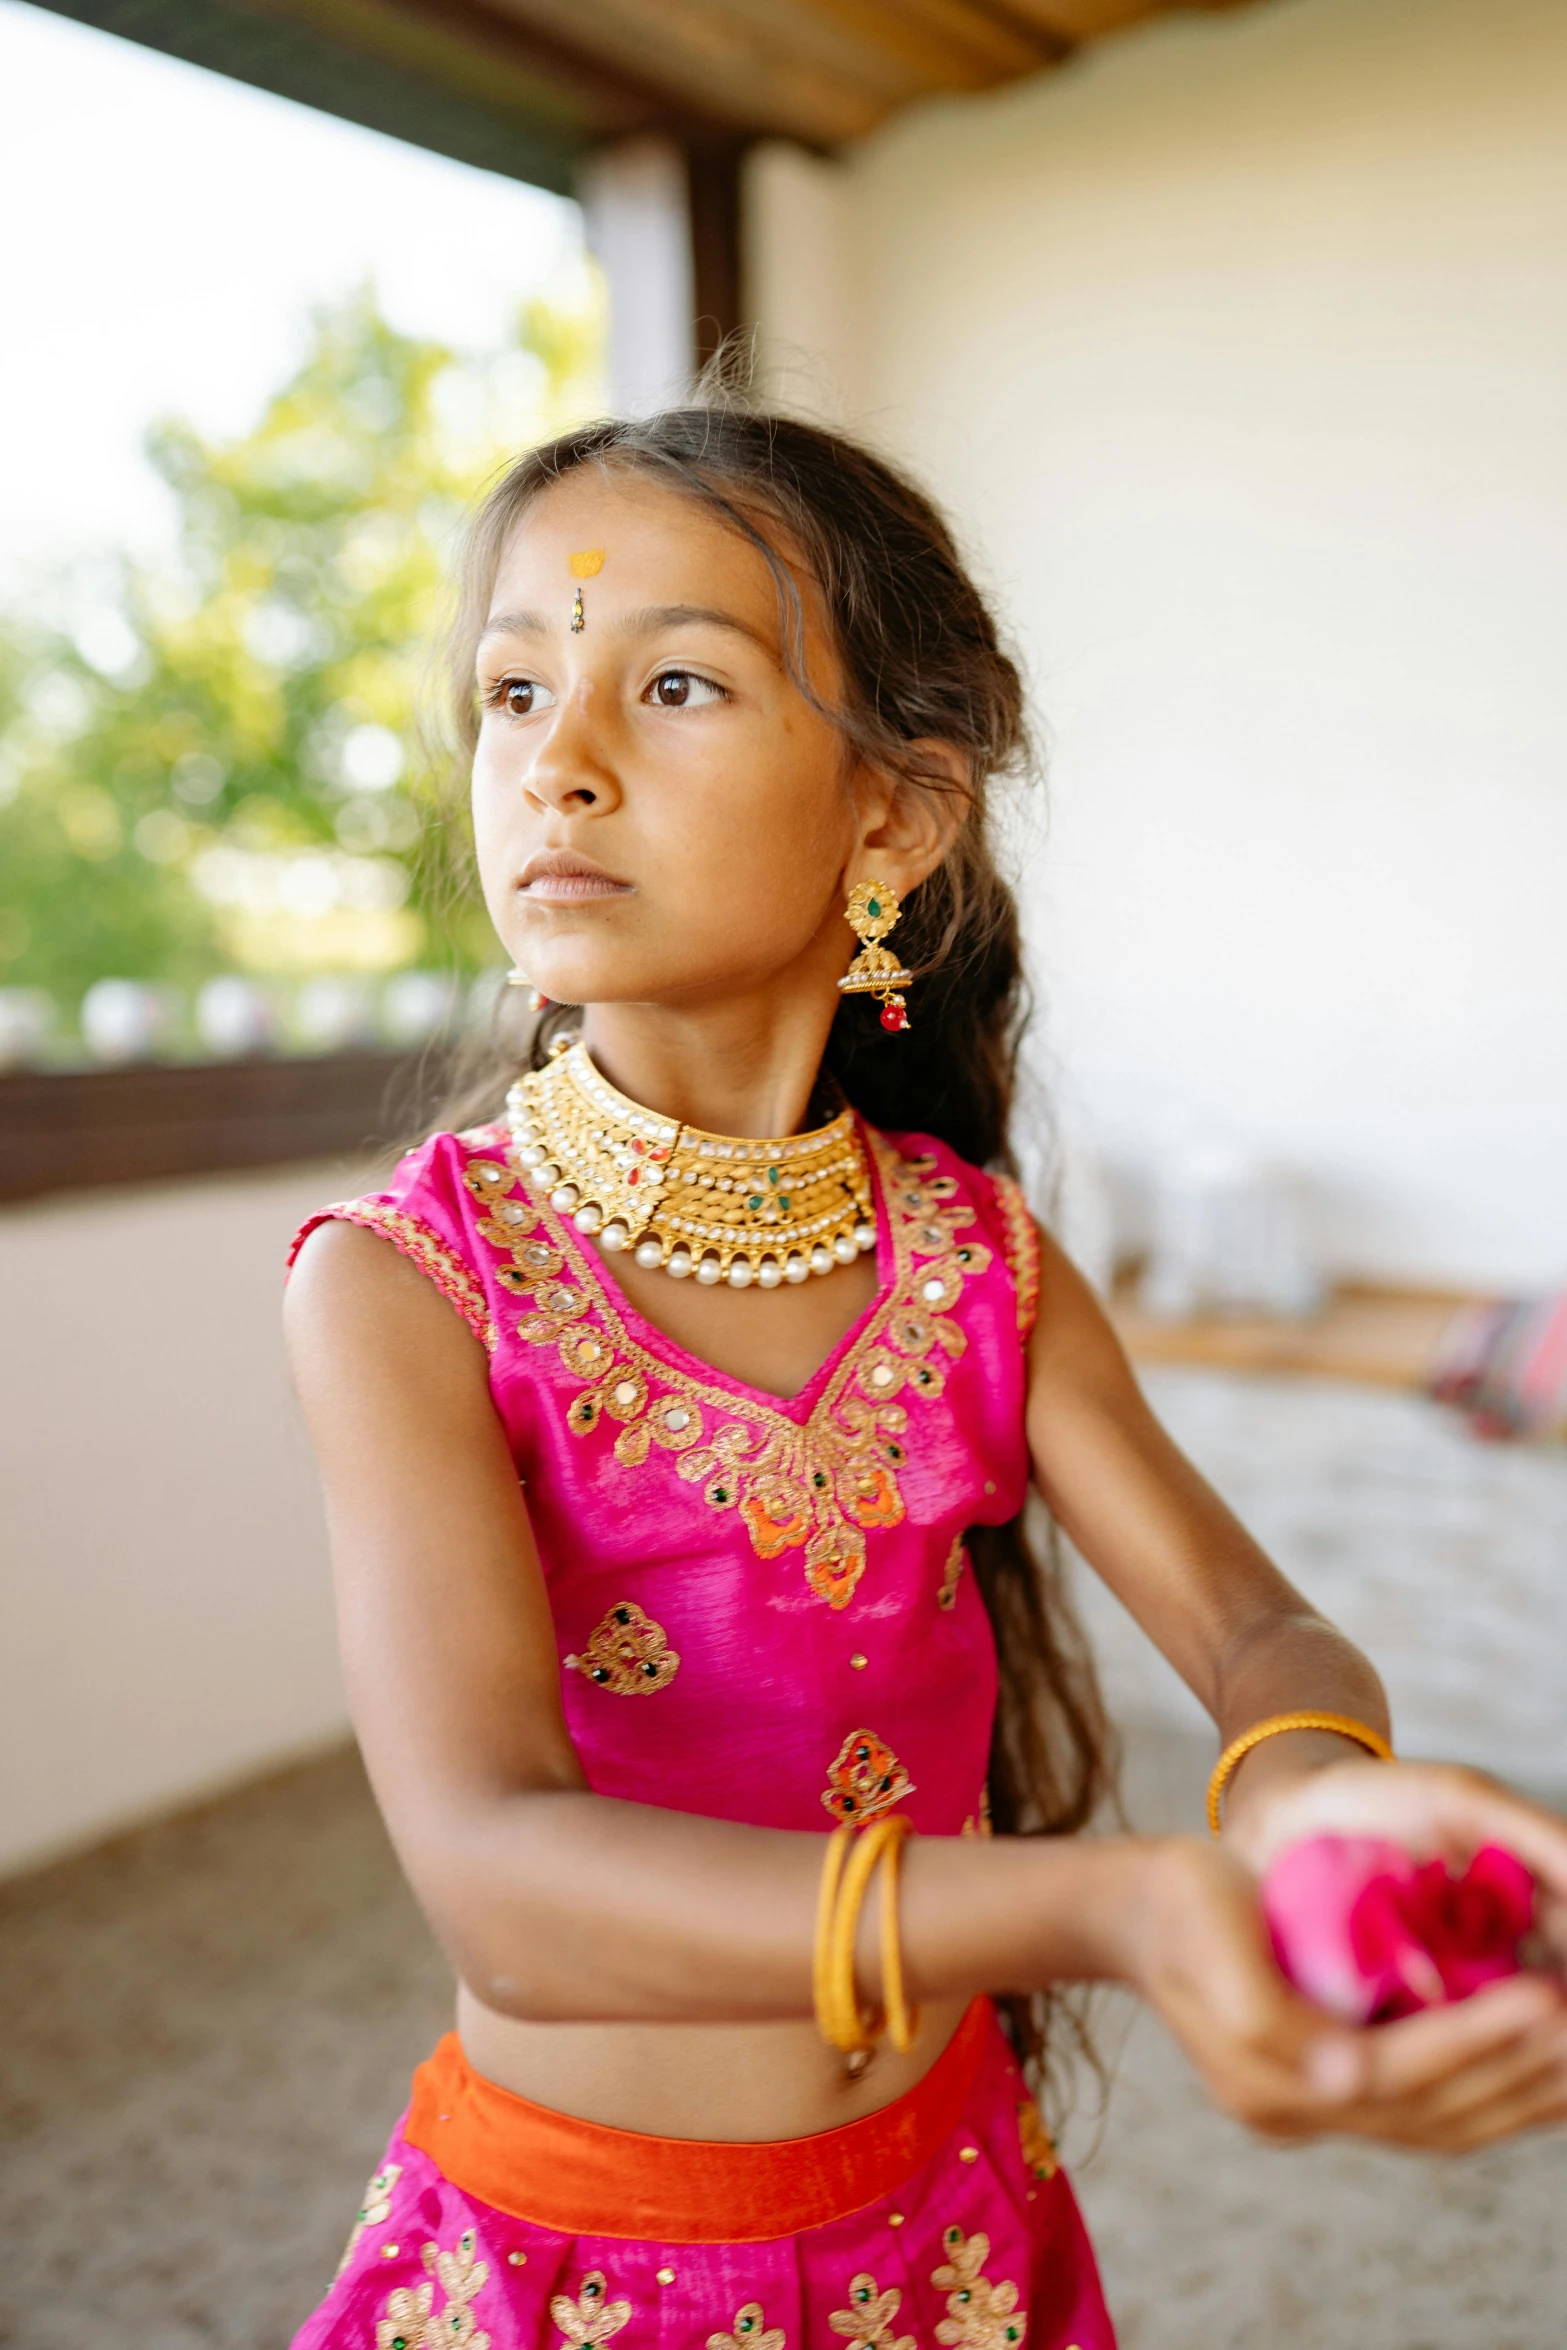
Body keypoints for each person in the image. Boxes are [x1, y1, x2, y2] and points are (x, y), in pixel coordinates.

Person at [284, 406, 1567, 2350]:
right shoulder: (410, 1284)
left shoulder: (977, 1256)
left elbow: (1255, 1623)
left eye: (679, 681)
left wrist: (1305, 1796)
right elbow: (500, 1880)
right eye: (512, 691)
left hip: (955, 2224)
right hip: (583, 2258)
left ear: (895, 818)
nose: (555, 758)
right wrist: (1118, 1904)